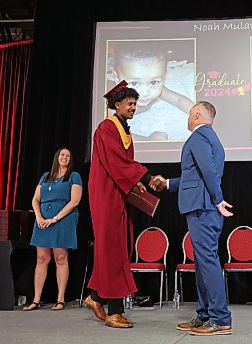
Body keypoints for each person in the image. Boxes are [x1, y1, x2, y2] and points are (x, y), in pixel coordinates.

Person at [84, 80, 164, 328]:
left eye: (135, 103)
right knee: (113, 249)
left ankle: (94, 297)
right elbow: (117, 162)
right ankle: (114, 311)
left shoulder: (122, 128)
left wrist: (135, 182)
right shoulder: (106, 128)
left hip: (119, 191)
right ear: (116, 104)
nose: (133, 107)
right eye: (129, 103)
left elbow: (123, 165)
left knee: (117, 247)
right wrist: (146, 177)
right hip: (107, 194)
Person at [151, 101, 233, 336]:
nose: (188, 117)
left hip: (203, 208)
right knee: (203, 262)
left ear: (197, 114)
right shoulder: (208, 137)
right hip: (203, 206)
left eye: (189, 113)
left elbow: (209, 171)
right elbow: (195, 176)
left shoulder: (199, 137)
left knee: (207, 261)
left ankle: (220, 318)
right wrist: (167, 183)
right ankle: (205, 314)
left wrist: (218, 199)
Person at [23, 148, 83, 312]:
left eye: (68, 156)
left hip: (63, 220)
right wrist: (39, 217)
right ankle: (36, 300)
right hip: (42, 221)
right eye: (62, 155)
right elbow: (35, 199)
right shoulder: (45, 176)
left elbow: (75, 201)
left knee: (61, 258)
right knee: (41, 259)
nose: (65, 157)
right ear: (57, 157)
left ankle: (60, 299)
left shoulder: (73, 176)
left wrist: (55, 218)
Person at [112, 43, 195, 141]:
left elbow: (178, 100)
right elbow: (115, 134)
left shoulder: (159, 90)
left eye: (153, 82)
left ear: (164, 77)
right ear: (117, 79)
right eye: (134, 83)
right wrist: (147, 140)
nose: (145, 92)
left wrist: (196, 112)